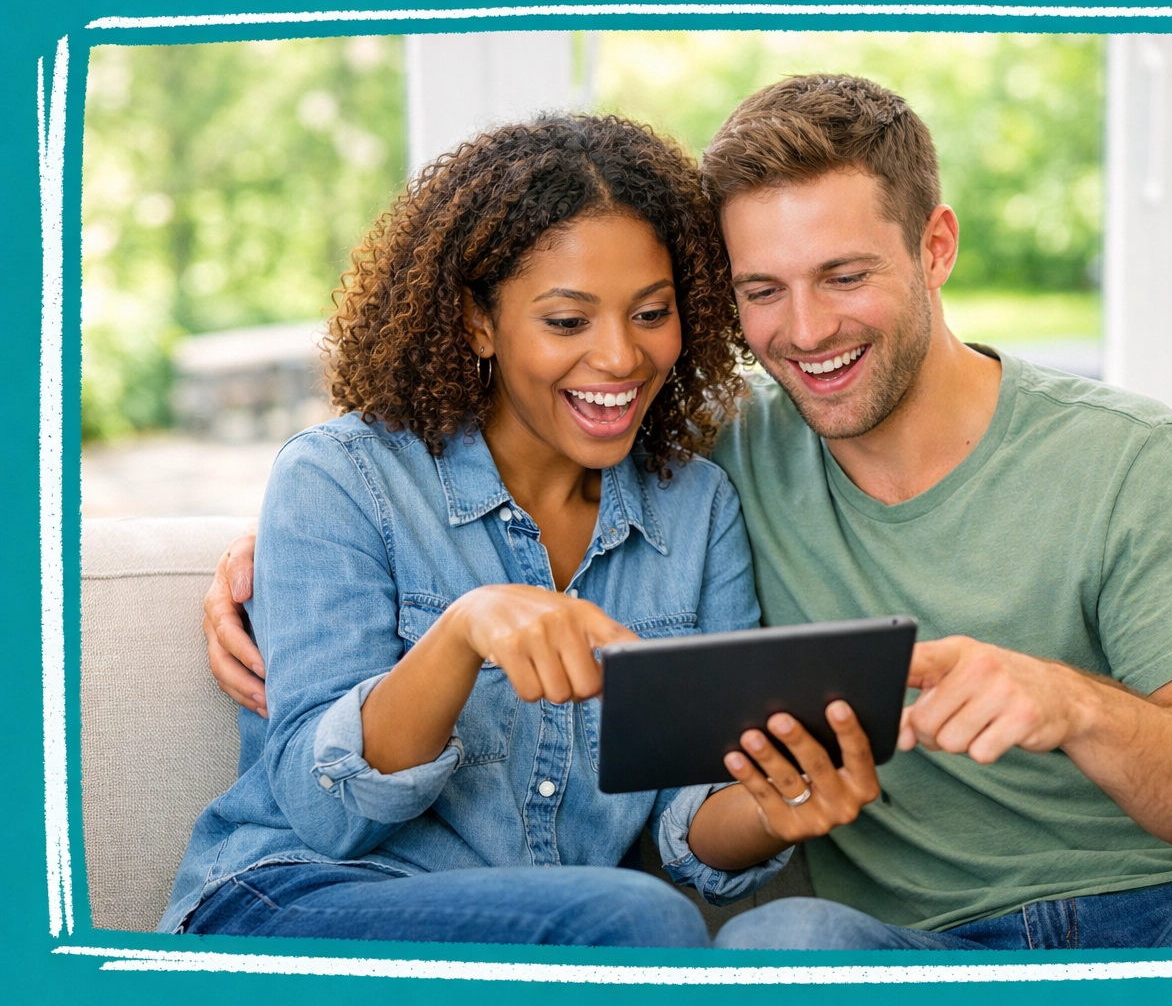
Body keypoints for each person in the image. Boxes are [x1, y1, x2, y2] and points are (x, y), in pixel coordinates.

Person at [204, 78, 1172, 950]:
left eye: (846, 276)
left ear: (937, 246)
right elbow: (413, 502)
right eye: (762, 295)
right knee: (757, 937)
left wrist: (1066, 705)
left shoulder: (1106, 459)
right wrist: (351, 588)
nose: (804, 332)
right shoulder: (710, 457)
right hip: (901, 942)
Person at [161, 114, 882, 946]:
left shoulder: (698, 509)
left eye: (651, 314)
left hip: (553, 928)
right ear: (477, 320)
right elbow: (328, 814)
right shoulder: (342, 478)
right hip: (295, 904)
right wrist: (465, 631)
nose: (619, 357)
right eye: (567, 322)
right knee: (638, 917)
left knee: (654, 913)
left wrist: (778, 803)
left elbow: (690, 825)